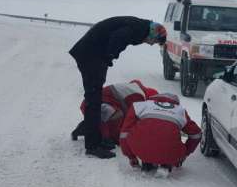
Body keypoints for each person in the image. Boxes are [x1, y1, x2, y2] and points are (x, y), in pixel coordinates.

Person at [69, 17, 167, 158]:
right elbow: (118, 37)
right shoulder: (137, 29)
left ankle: (95, 138)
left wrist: (108, 57)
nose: (152, 44)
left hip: (93, 54)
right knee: (94, 99)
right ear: (153, 34)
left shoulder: (139, 27)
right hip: (90, 55)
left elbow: (116, 37)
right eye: (155, 41)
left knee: (95, 99)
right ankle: (92, 145)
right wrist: (110, 55)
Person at [119, 93, 201, 175]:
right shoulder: (180, 111)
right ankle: (166, 165)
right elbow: (196, 134)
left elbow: (124, 134)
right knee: (167, 147)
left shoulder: (139, 105)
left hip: (140, 149)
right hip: (170, 152)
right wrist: (184, 154)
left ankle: (147, 162)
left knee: (145, 138)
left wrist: (131, 157)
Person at [71, 80, 159, 147]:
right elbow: (132, 120)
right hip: (93, 107)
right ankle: (100, 136)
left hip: (93, 106)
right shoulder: (139, 97)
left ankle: (89, 127)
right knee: (117, 115)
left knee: (118, 116)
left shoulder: (135, 88)